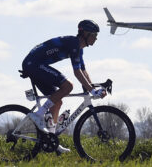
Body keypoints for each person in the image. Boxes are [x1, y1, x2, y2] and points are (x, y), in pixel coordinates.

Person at [21, 19, 104, 153]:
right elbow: (77, 73)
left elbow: (83, 71)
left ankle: (51, 139)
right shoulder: (74, 43)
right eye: (94, 34)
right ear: (86, 34)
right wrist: (91, 90)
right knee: (68, 86)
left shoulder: (79, 49)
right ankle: (38, 114)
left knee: (57, 102)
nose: (96, 38)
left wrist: (92, 88)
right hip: (34, 64)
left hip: (36, 64)